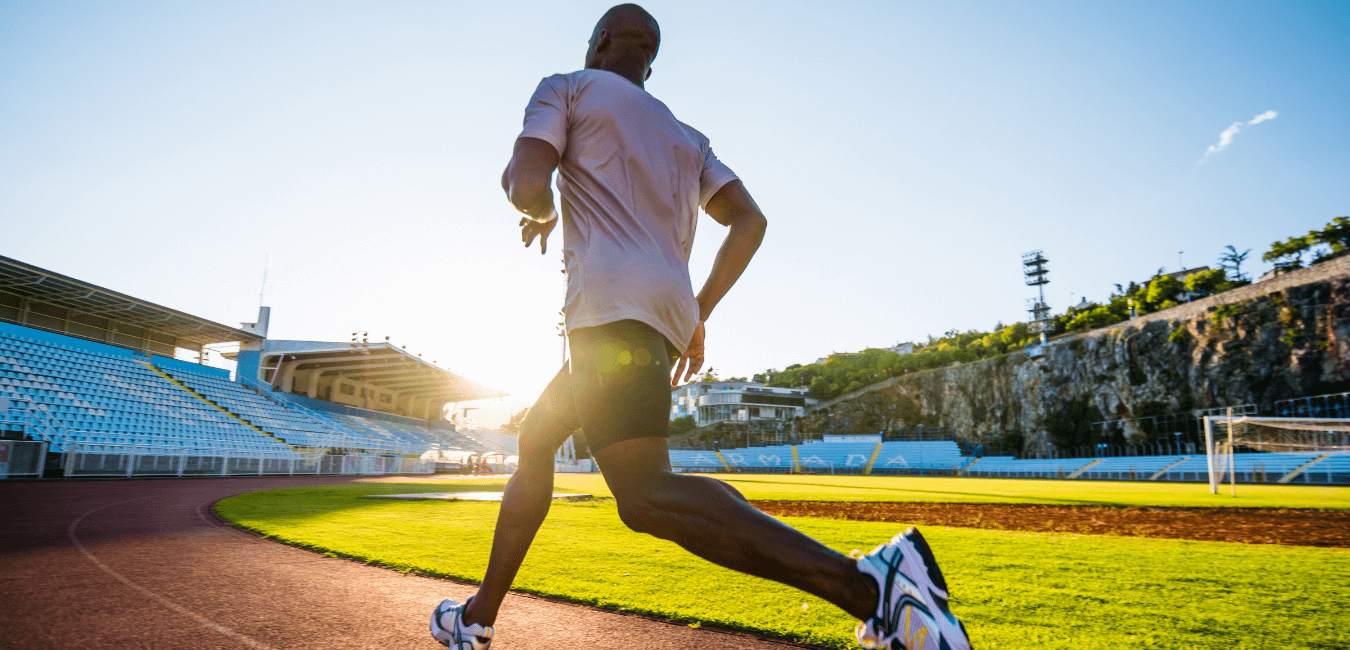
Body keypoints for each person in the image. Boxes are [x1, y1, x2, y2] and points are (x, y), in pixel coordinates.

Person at [431, 5, 971, 649]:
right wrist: (698, 312)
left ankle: (871, 587)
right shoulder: (687, 136)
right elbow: (750, 221)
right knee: (539, 438)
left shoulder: (566, 87)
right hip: (657, 317)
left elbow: (524, 184)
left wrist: (543, 209)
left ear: (598, 42)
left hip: (608, 313)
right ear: (649, 65)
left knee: (644, 496)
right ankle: (478, 616)